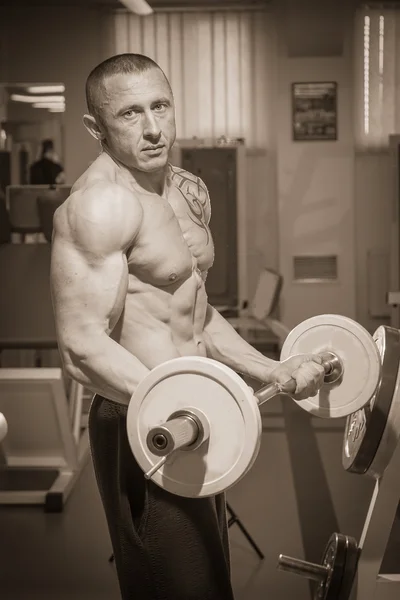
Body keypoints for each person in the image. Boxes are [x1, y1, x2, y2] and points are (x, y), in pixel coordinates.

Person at [50, 53, 325, 600]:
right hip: (144, 423)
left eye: (161, 106)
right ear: (94, 127)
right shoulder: (100, 206)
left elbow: (194, 310)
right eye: (129, 114)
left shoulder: (186, 190)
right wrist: (176, 404)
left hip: (195, 416)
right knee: (175, 585)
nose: (153, 128)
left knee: (212, 581)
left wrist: (269, 367)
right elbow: (80, 346)